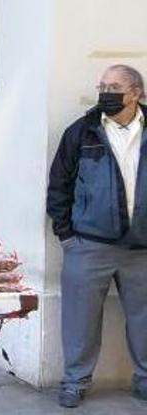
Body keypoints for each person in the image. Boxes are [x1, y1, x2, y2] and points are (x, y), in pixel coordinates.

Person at [47, 64, 147, 408]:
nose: (105, 92)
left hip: (143, 249)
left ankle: (145, 380)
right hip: (88, 245)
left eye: (114, 86)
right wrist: (66, 235)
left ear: (135, 93)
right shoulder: (82, 131)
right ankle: (75, 382)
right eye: (102, 85)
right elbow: (59, 185)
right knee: (80, 320)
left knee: (145, 320)